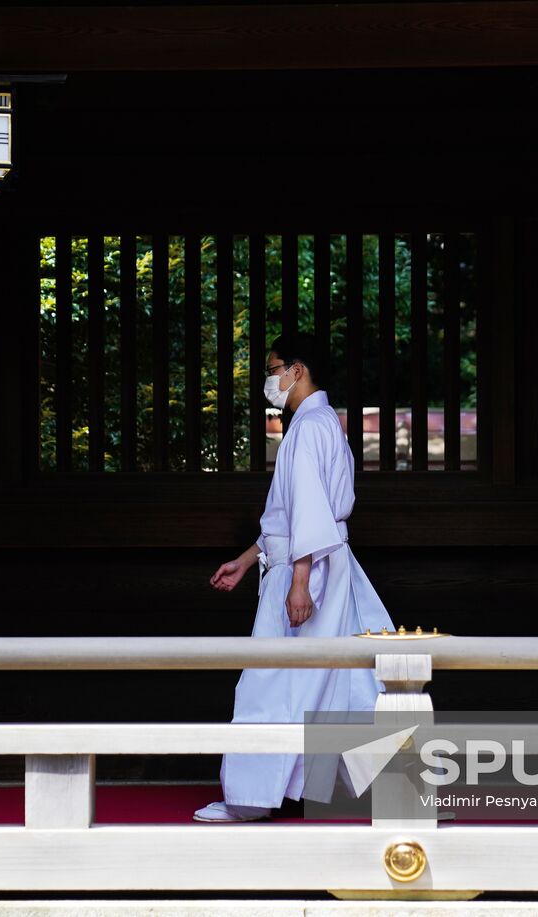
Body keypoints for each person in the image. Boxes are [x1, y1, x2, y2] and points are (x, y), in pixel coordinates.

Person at [193, 331, 395, 822]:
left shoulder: (308, 428)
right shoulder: (322, 423)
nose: (270, 378)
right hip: (326, 566)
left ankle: (249, 800)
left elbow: (308, 511)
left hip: (309, 572)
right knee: (350, 680)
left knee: (271, 681)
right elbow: (292, 514)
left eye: (274, 367)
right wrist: (247, 558)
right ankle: (397, 790)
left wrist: (300, 581)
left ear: (297, 370)